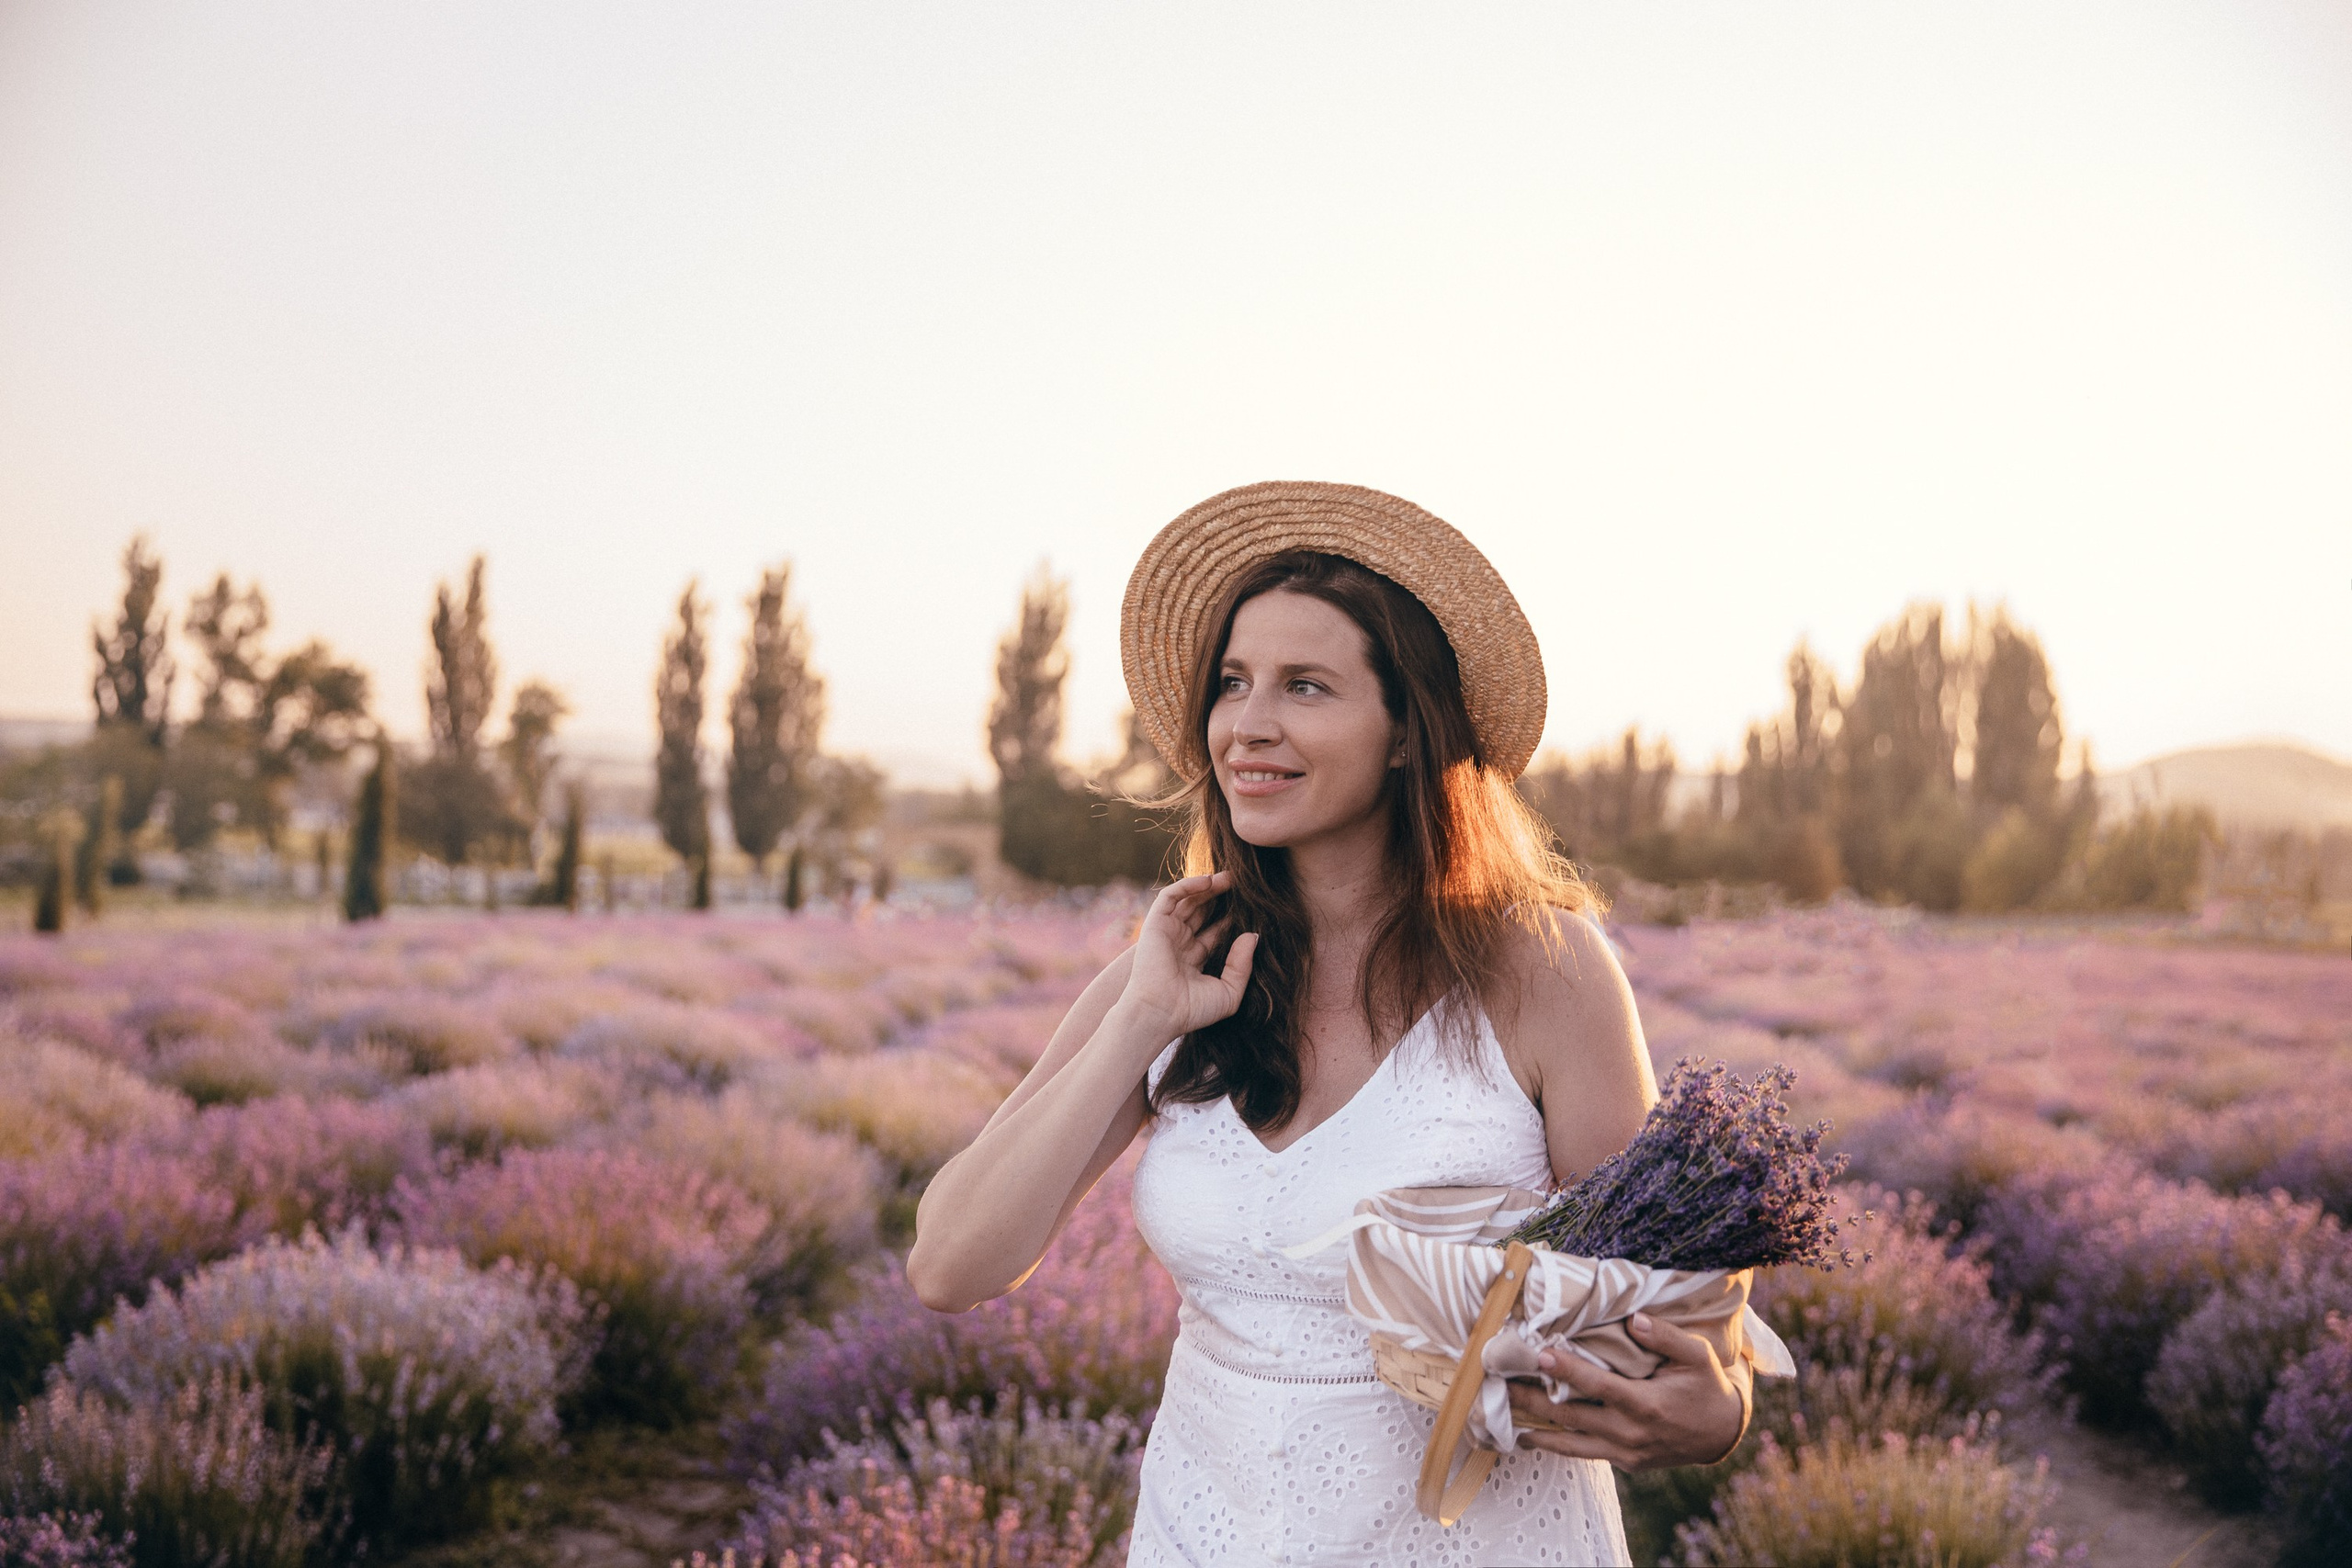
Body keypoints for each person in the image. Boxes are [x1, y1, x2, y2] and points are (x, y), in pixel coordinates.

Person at [910, 482, 1751, 1565]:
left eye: (1306, 686)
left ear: (1408, 732)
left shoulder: (1541, 970)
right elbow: (949, 1266)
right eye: (1232, 683)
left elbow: (1680, 1322)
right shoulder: (1169, 972)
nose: (1246, 725)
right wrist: (1141, 1022)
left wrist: (1713, 1414)